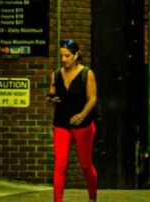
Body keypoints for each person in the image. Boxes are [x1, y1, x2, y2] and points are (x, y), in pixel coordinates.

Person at [47, 38, 98, 202]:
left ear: (76, 55)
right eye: (61, 56)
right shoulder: (55, 74)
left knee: (85, 164)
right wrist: (51, 98)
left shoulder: (86, 73)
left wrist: (83, 114)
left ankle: (92, 197)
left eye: (67, 56)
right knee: (60, 164)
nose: (63, 60)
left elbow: (93, 99)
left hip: (82, 124)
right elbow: (52, 92)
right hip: (61, 123)